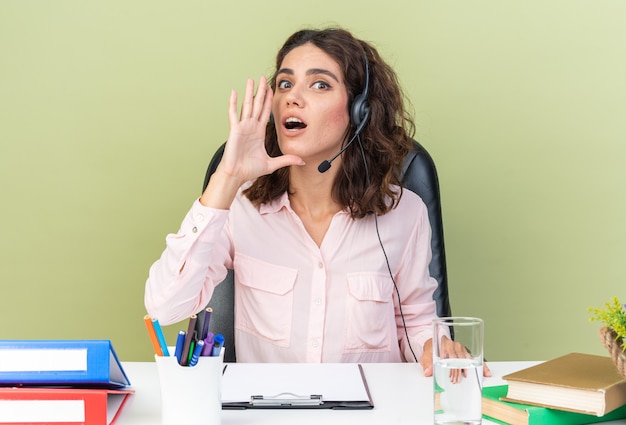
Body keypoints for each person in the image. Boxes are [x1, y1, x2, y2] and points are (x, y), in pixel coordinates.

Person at [145, 27, 482, 376]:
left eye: (320, 84)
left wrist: (436, 347)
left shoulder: (405, 213)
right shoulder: (240, 208)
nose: (292, 97)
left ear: (359, 110)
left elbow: (415, 320)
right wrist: (227, 179)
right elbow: (165, 307)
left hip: (372, 410)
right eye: (285, 84)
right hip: (269, 411)